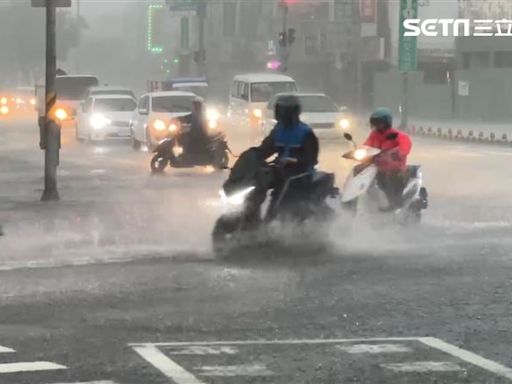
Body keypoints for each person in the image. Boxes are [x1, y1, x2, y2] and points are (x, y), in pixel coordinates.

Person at [248, 94, 319, 221]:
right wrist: (251, 158)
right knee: (257, 182)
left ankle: (274, 221)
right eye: (279, 110)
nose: (281, 114)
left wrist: (294, 160)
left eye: (284, 111)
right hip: (281, 170)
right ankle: (250, 217)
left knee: (283, 192)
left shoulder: (305, 132)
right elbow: (265, 149)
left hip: (300, 173)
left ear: (293, 112)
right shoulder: (278, 130)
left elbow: (311, 158)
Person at [364, 107, 412, 210]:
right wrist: (361, 153)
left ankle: (395, 203)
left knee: (391, 176)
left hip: (395, 168)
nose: (377, 125)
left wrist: (396, 153)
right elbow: (366, 146)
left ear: (387, 122)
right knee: (359, 171)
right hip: (378, 168)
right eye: (375, 123)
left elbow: (404, 148)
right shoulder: (374, 135)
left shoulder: (398, 136)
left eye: (380, 123)